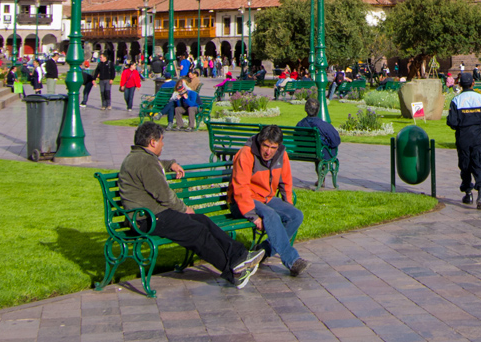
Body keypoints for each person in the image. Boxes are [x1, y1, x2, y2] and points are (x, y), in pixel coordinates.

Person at [119, 122, 265, 288]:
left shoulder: (141, 157)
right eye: (161, 140)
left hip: (154, 215)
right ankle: (233, 271)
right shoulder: (144, 162)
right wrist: (184, 209)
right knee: (197, 231)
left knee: (201, 220)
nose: (163, 144)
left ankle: (240, 255)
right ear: (153, 142)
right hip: (146, 219)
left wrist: (170, 164)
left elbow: (156, 166)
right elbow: (164, 195)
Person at [229, 125, 307, 276]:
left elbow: (286, 182)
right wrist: (253, 216)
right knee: (271, 215)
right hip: (243, 201)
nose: (268, 151)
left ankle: (262, 252)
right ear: (260, 142)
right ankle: (292, 261)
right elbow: (240, 188)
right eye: (265, 146)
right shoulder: (246, 153)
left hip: (266, 198)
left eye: (273, 147)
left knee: (296, 215)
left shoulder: (281, 154)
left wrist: (287, 205)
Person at [447, 71, 481, 209]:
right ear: (473, 83)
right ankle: (480, 194)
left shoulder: (456, 100)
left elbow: (452, 122)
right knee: (479, 164)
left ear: (460, 84)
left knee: (465, 164)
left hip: (463, 136)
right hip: (477, 136)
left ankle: (468, 193)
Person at [296, 95, 340, 164]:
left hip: (304, 151)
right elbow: (336, 141)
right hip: (321, 153)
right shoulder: (324, 126)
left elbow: (296, 139)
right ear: (318, 110)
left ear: (305, 109)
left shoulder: (299, 124)